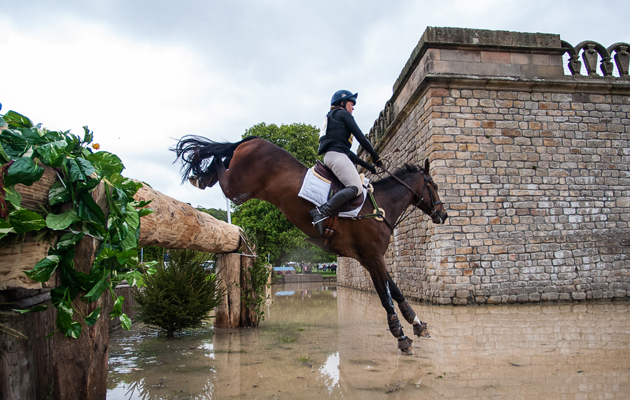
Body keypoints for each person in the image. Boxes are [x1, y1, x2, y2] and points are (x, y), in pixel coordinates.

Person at [310, 90, 382, 235]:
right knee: (356, 187)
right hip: (336, 156)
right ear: (342, 103)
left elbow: (347, 152)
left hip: (334, 155)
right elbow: (361, 137)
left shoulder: (333, 118)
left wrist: (367, 166)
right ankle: (321, 212)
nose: (353, 107)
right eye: (351, 103)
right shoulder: (343, 114)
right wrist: (375, 156)